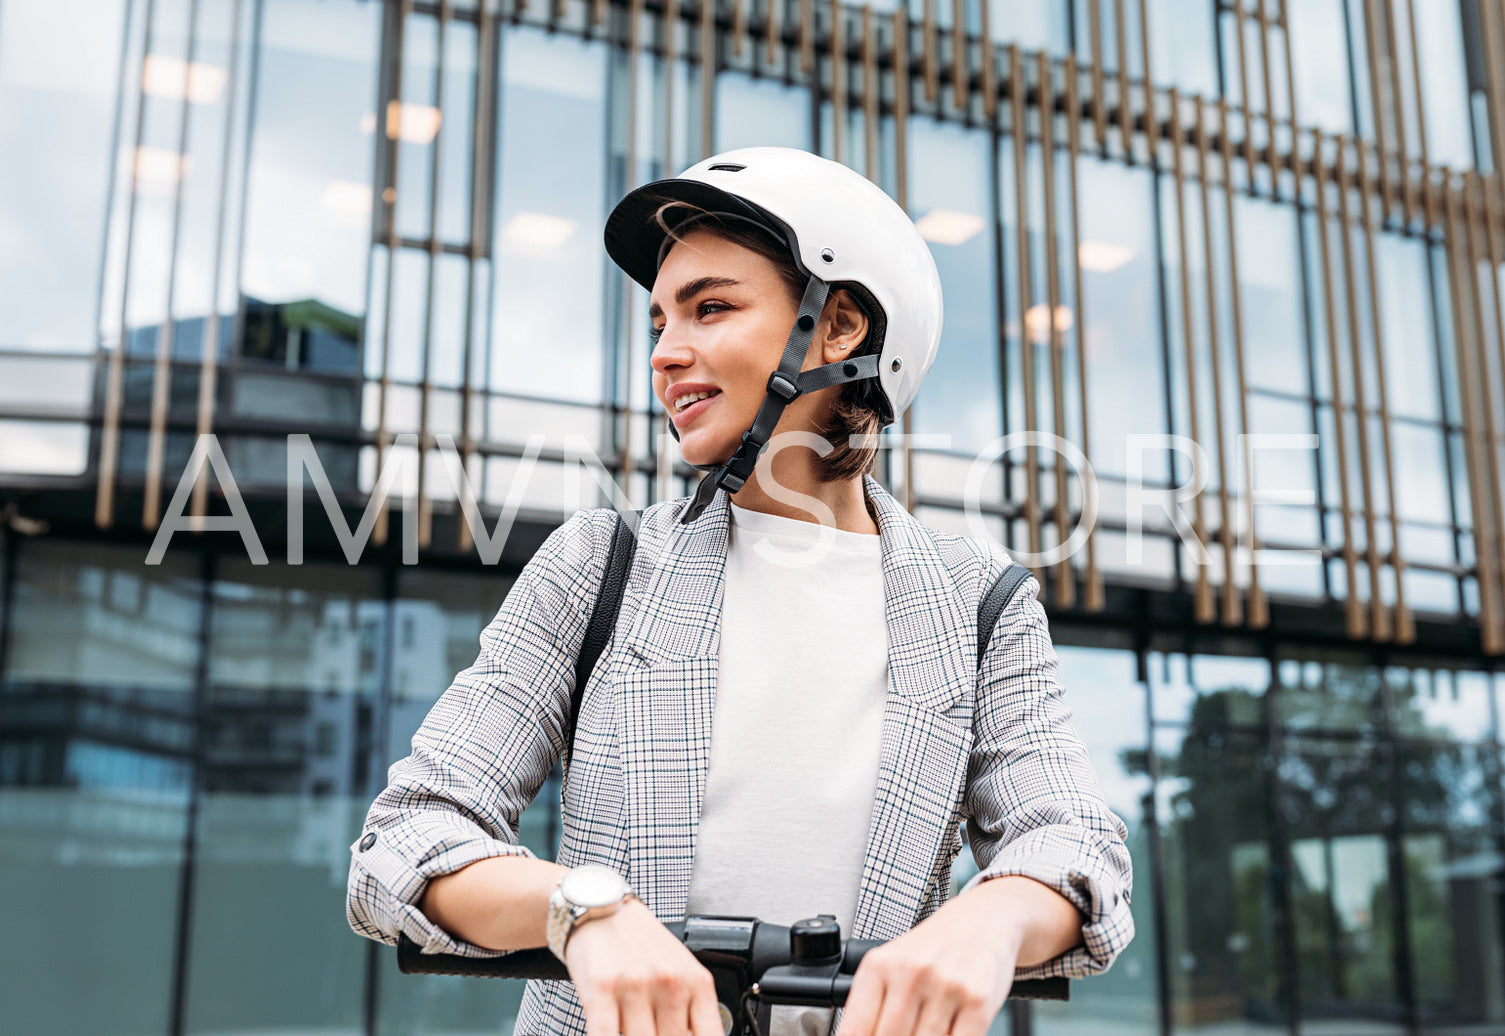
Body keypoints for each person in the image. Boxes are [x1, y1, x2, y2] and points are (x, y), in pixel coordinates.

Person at [346, 147, 1133, 1036]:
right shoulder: (599, 563)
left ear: (837, 329)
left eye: (710, 307)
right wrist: (583, 913)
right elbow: (406, 840)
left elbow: (1075, 847)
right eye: (657, 323)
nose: (665, 353)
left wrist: (989, 919)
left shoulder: (978, 602)